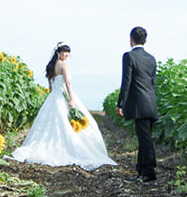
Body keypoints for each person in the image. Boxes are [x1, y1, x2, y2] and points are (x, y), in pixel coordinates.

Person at [10, 42, 115, 170]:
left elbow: (50, 85)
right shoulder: (64, 66)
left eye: (68, 52)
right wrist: (71, 99)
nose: (66, 54)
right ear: (58, 52)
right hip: (62, 96)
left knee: (50, 124)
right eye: (64, 52)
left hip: (53, 97)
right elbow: (68, 83)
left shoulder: (51, 66)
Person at [116, 25, 157, 182]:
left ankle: (149, 172)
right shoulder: (151, 58)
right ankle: (141, 171)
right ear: (145, 40)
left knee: (145, 140)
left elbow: (126, 82)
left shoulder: (129, 57)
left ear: (131, 39)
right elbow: (153, 83)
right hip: (151, 103)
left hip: (139, 105)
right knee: (144, 138)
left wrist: (121, 104)